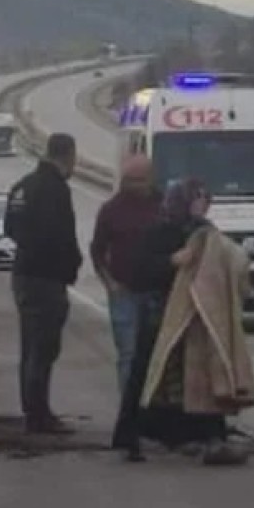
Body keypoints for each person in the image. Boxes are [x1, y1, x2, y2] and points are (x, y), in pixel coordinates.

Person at [111, 178, 254, 466]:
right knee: (149, 373)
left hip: (195, 318)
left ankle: (202, 434)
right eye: (199, 199)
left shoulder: (207, 235)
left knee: (198, 375)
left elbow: (228, 264)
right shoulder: (158, 233)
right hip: (160, 314)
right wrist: (171, 261)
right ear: (185, 200)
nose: (204, 205)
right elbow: (138, 272)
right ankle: (133, 434)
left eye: (206, 200)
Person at [5, 133, 82, 435]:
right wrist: (70, 265)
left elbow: (9, 228)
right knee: (44, 348)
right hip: (46, 278)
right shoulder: (55, 189)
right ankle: (39, 415)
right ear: (67, 155)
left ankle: (33, 408)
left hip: (23, 274)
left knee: (30, 346)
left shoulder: (22, 186)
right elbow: (60, 234)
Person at [90, 155, 161, 392]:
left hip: (156, 291)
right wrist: (109, 283)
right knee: (128, 353)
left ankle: (153, 409)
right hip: (124, 292)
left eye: (139, 181)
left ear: (151, 179)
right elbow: (97, 251)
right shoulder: (111, 210)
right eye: (129, 181)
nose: (134, 186)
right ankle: (128, 410)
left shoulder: (164, 206)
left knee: (156, 353)